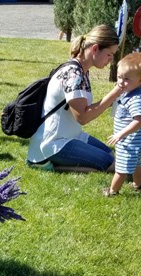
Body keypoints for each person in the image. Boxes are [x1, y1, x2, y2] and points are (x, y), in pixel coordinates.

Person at [26, 24, 124, 172]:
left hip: (72, 136)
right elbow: (82, 117)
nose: (111, 60)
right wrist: (114, 94)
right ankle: (50, 165)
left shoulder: (81, 70)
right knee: (112, 165)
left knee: (112, 155)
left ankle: (63, 164)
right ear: (95, 49)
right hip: (54, 143)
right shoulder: (74, 75)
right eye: (109, 54)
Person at [104, 52, 141, 196]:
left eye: (126, 79)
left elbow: (140, 120)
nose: (121, 82)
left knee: (121, 168)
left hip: (130, 141)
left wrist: (121, 134)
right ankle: (138, 185)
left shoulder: (135, 99)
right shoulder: (130, 91)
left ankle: (112, 191)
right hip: (137, 140)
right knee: (137, 162)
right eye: (119, 77)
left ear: (140, 79)